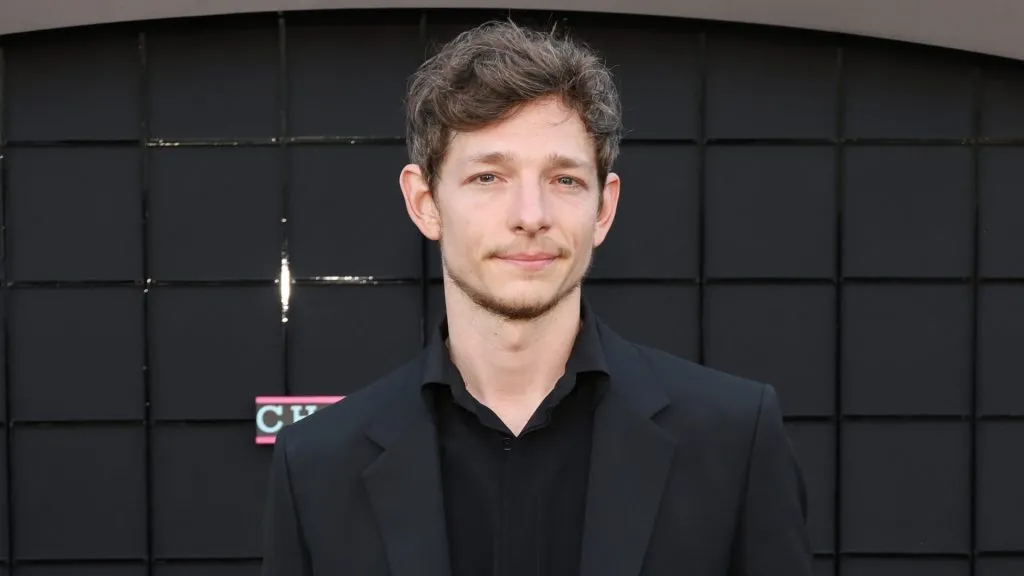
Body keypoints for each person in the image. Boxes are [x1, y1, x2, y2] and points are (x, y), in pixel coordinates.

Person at [261, 19, 813, 576]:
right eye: (488, 178)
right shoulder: (316, 466)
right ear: (425, 203)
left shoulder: (734, 440)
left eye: (564, 180)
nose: (531, 216)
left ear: (604, 207)